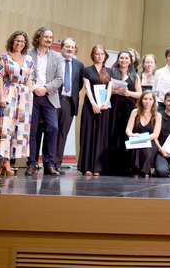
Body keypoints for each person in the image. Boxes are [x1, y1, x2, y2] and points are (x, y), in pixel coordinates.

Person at [0, 31, 34, 176]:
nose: (19, 43)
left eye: (22, 41)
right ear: (12, 41)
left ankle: (7, 162)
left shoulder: (28, 59)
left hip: (24, 97)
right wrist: (1, 96)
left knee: (17, 129)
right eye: (16, 40)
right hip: (8, 92)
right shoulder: (4, 58)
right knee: (3, 128)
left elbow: (29, 78)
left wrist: (30, 92)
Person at [25, 27, 64, 176]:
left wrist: (45, 88)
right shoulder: (28, 54)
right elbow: (25, 74)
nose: (49, 40)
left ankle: (49, 164)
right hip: (32, 96)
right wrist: (35, 88)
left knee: (53, 128)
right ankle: (32, 164)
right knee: (32, 130)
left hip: (49, 96)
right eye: (46, 37)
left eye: (51, 37)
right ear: (38, 38)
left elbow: (59, 79)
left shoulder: (56, 56)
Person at [78, 45, 112, 176]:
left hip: (104, 105)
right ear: (93, 55)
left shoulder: (109, 70)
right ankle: (86, 166)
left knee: (101, 135)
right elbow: (87, 88)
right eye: (97, 54)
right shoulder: (86, 70)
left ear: (105, 56)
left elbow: (110, 87)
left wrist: (107, 101)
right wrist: (93, 103)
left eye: (102, 54)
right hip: (90, 105)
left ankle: (98, 167)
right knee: (88, 134)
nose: (99, 56)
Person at [108, 50, 142, 175]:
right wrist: (116, 90)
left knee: (126, 134)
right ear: (118, 60)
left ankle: (126, 166)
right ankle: (112, 166)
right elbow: (106, 91)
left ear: (130, 60)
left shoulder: (135, 75)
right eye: (121, 58)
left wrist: (129, 93)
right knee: (113, 133)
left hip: (129, 107)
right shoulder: (112, 73)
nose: (123, 60)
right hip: (114, 107)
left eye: (126, 58)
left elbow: (140, 94)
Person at [54, 37, 83, 174]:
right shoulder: (54, 60)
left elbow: (79, 85)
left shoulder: (79, 65)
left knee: (62, 134)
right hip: (54, 101)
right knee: (51, 132)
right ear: (61, 48)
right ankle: (47, 162)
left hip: (69, 103)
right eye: (67, 46)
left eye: (72, 47)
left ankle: (57, 163)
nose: (70, 49)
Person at [126, 91, 161, 178]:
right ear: (141, 100)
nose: (147, 102)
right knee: (137, 148)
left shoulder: (157, 115)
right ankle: (139, 172)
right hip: (136, 140)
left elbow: (156, 134)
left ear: (153, 101)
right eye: (145, 99)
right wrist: (132, 135)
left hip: (150, 142)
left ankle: (142, 171)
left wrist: (142, 138)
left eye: (150, 99)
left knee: (145, 152)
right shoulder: (135, 112)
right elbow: (128, 130)